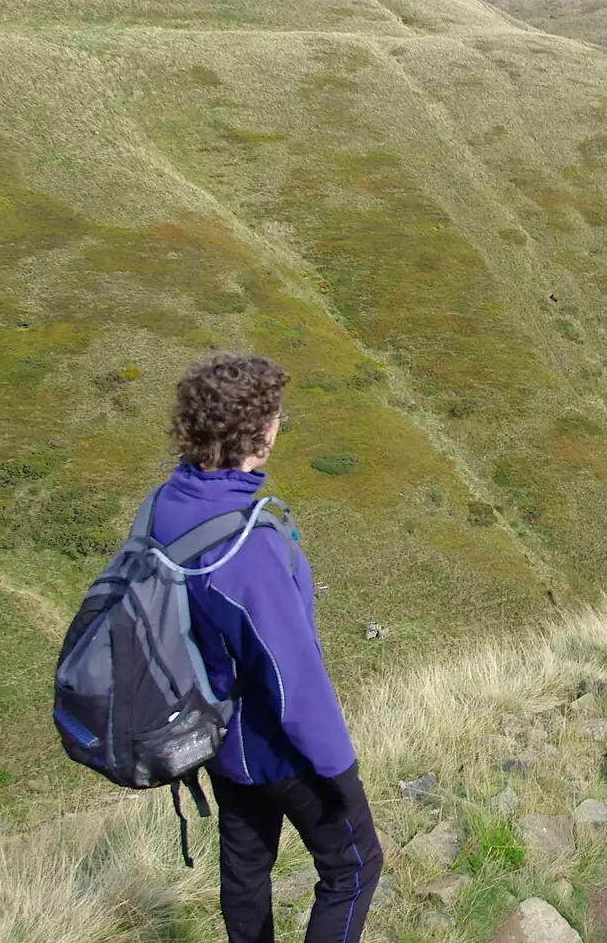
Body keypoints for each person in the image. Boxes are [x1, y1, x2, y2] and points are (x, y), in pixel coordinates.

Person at [151, 354, 381, 943]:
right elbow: (290, 675)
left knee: (246, 871)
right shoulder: (244, 548)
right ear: (260, 432)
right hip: (278, 749)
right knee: (354, 868)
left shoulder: (168, 504)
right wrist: (336, 769)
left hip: (217, 738)